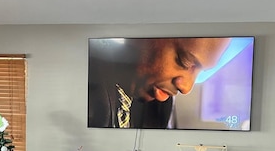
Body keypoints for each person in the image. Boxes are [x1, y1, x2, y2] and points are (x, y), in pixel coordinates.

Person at [88, 37, 231, 128]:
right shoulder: (86, 77)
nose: (186, 88)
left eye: (201, 72)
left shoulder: (161, 108)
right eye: (185, 61)